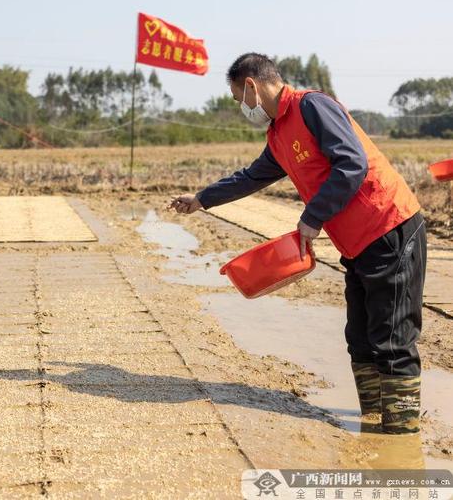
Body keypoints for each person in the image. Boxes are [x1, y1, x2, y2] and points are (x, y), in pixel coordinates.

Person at [169, 53, 425, 434]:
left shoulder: (312, 107)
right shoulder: (278, 134)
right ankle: (374, 423)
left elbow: (351, 164)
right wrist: (202, 199)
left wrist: (311, 217)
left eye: (240, 98)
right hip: (357, 244)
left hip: (389, 227)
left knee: (390, 339)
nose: (243, 107)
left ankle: (401, 437)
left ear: (252, 87)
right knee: (360, 338)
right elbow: (251, 177)